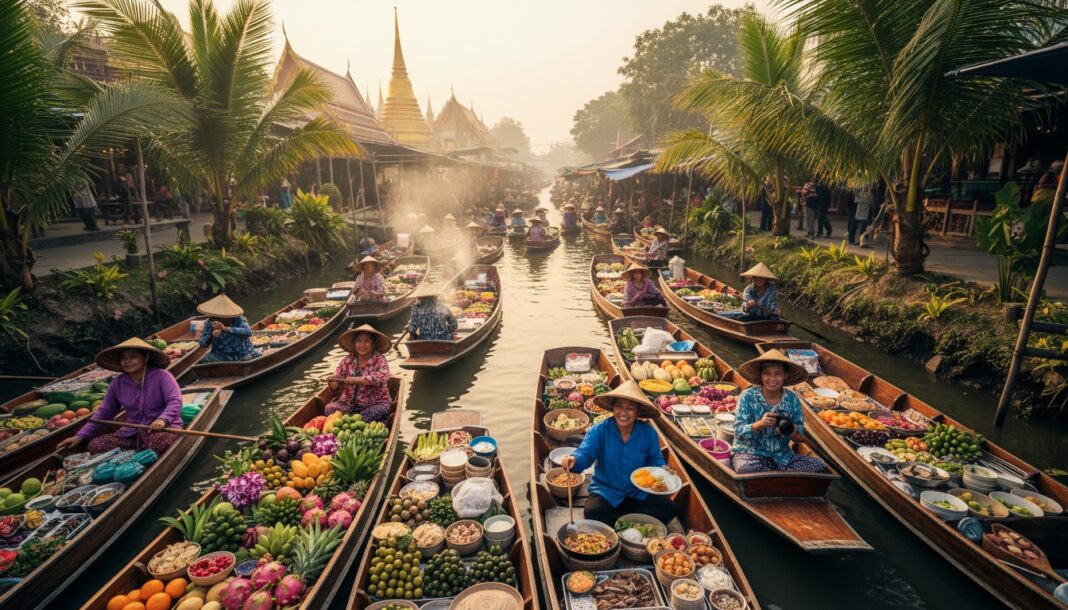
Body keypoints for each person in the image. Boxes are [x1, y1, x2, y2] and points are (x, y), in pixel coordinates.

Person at [559, 380, 678, 526]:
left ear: (638, 411)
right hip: (607, 491)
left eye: (630, 408)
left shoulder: (648, 433)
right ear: (613, 407)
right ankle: (633, 523)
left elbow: (655, 460)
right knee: (593, 512)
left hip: (638, 491)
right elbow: (585, 453)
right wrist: (574, 459)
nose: (623, 413)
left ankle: (622, 524)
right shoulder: (599, 430)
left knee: (670, 508)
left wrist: (663, 468)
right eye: (619, 406)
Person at [57, 338, 182, 454]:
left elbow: (175, 401)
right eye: (123, 358)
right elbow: (104, 412)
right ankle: (137, 454)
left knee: (158, 444)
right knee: (95, 445)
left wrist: (162, 419)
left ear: (146, 357)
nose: (127, 361)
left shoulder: (162, 376)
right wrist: (80, 435)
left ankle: (141, 454)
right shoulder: (118, 383)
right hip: (131, 433)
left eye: (133, 357)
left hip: (162, 430)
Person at [731, 350, 826, 474]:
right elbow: (738, 432)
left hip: (782, 455)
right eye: (767, 373)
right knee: (745, 468)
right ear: (761, 375)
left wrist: (791, 431)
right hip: (750, 453)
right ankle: (779, 475)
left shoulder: (792, 399)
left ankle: (771, 473)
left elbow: (799, 436)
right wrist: (759, 424)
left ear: (785, 375)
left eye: (778, 374)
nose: (772, 379)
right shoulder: (747, 396)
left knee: (819, 465)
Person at [324, 325, 393, 420]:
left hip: (375, 403)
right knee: (329, 409)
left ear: (373, 344)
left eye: (366, 341)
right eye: (359, 341)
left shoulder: (379, 360)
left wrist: (350, 380)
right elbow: (338, 375)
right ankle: (353, 418)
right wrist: (334, 383)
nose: (362, 345)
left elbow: (378, 378)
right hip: (348, 404)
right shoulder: (348, 359)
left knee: (375, 412)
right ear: (354, 343)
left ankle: (353, 419)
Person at [196, 294, 261, 362]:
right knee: (205, 360)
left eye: (220, 318)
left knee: (255, 357)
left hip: (243, 353)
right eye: (215, 317)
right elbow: (203, 344)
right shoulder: (210, 322)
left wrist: (225, 328)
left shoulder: (239, 319)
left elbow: (248, 332)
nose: (217, 320)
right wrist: (211, 335)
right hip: (221, 355)